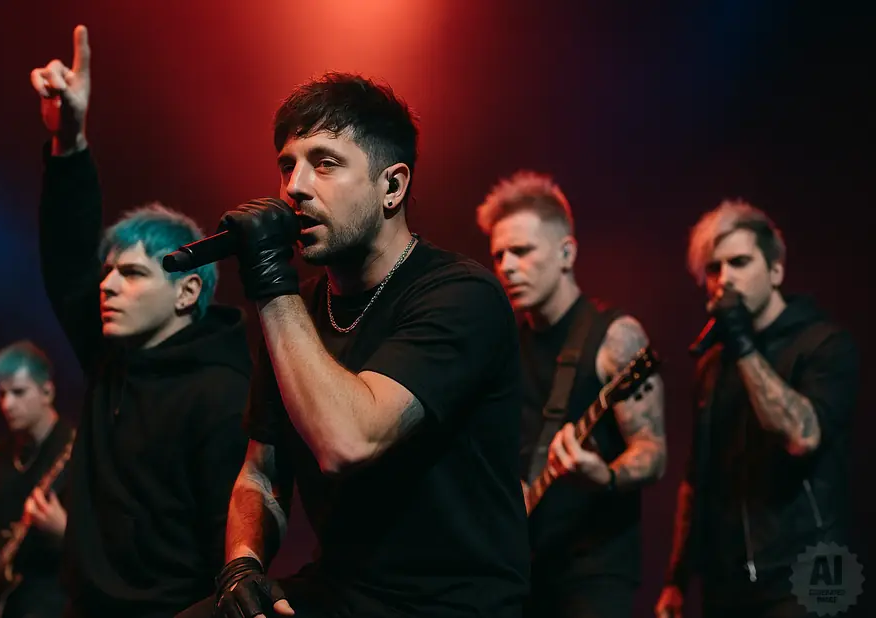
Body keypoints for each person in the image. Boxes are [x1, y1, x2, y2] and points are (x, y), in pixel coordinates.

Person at [191, 71, 530, 618]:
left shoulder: (462, 296)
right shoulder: (298, 309)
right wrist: (242, 567)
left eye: (325, 163)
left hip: (450, 604)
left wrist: (270, 282)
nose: (295, 186)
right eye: (287, 165)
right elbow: (261, 473)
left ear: (392, 186)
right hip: (341, 590)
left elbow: (349, 440)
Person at [29, 26, 252, 618]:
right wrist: (70, 140)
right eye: (108, 272)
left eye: (130, 273)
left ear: (187, 292)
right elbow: (67, 258)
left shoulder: (225, 394)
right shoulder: (112, 359)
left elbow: (231, 550)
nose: (106, 286)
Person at [656, 200, 860, 618]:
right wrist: (677, 578)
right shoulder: (712, 366)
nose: (725, 279)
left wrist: (742, 344)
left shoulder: (823, 345)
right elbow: (696, 478)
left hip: (806, 571)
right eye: (713, 269)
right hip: (729, 581)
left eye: (740, 262)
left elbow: (802, 435)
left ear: (776, 270)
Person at [476, 171, 667, 617]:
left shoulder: (615, 337)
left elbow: (653, 451)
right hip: (523, 568)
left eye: (521, 251)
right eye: (498, 254)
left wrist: (605, 475)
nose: (506, 266)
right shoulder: (505, 349)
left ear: (566, 253)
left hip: (594, 572)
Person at [0, 340, 75, 618]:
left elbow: (114, 541)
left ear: (47, 392)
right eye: (2, 394)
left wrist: (66, 531)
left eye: (19, 392)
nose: (7, 404)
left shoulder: (80, 449)